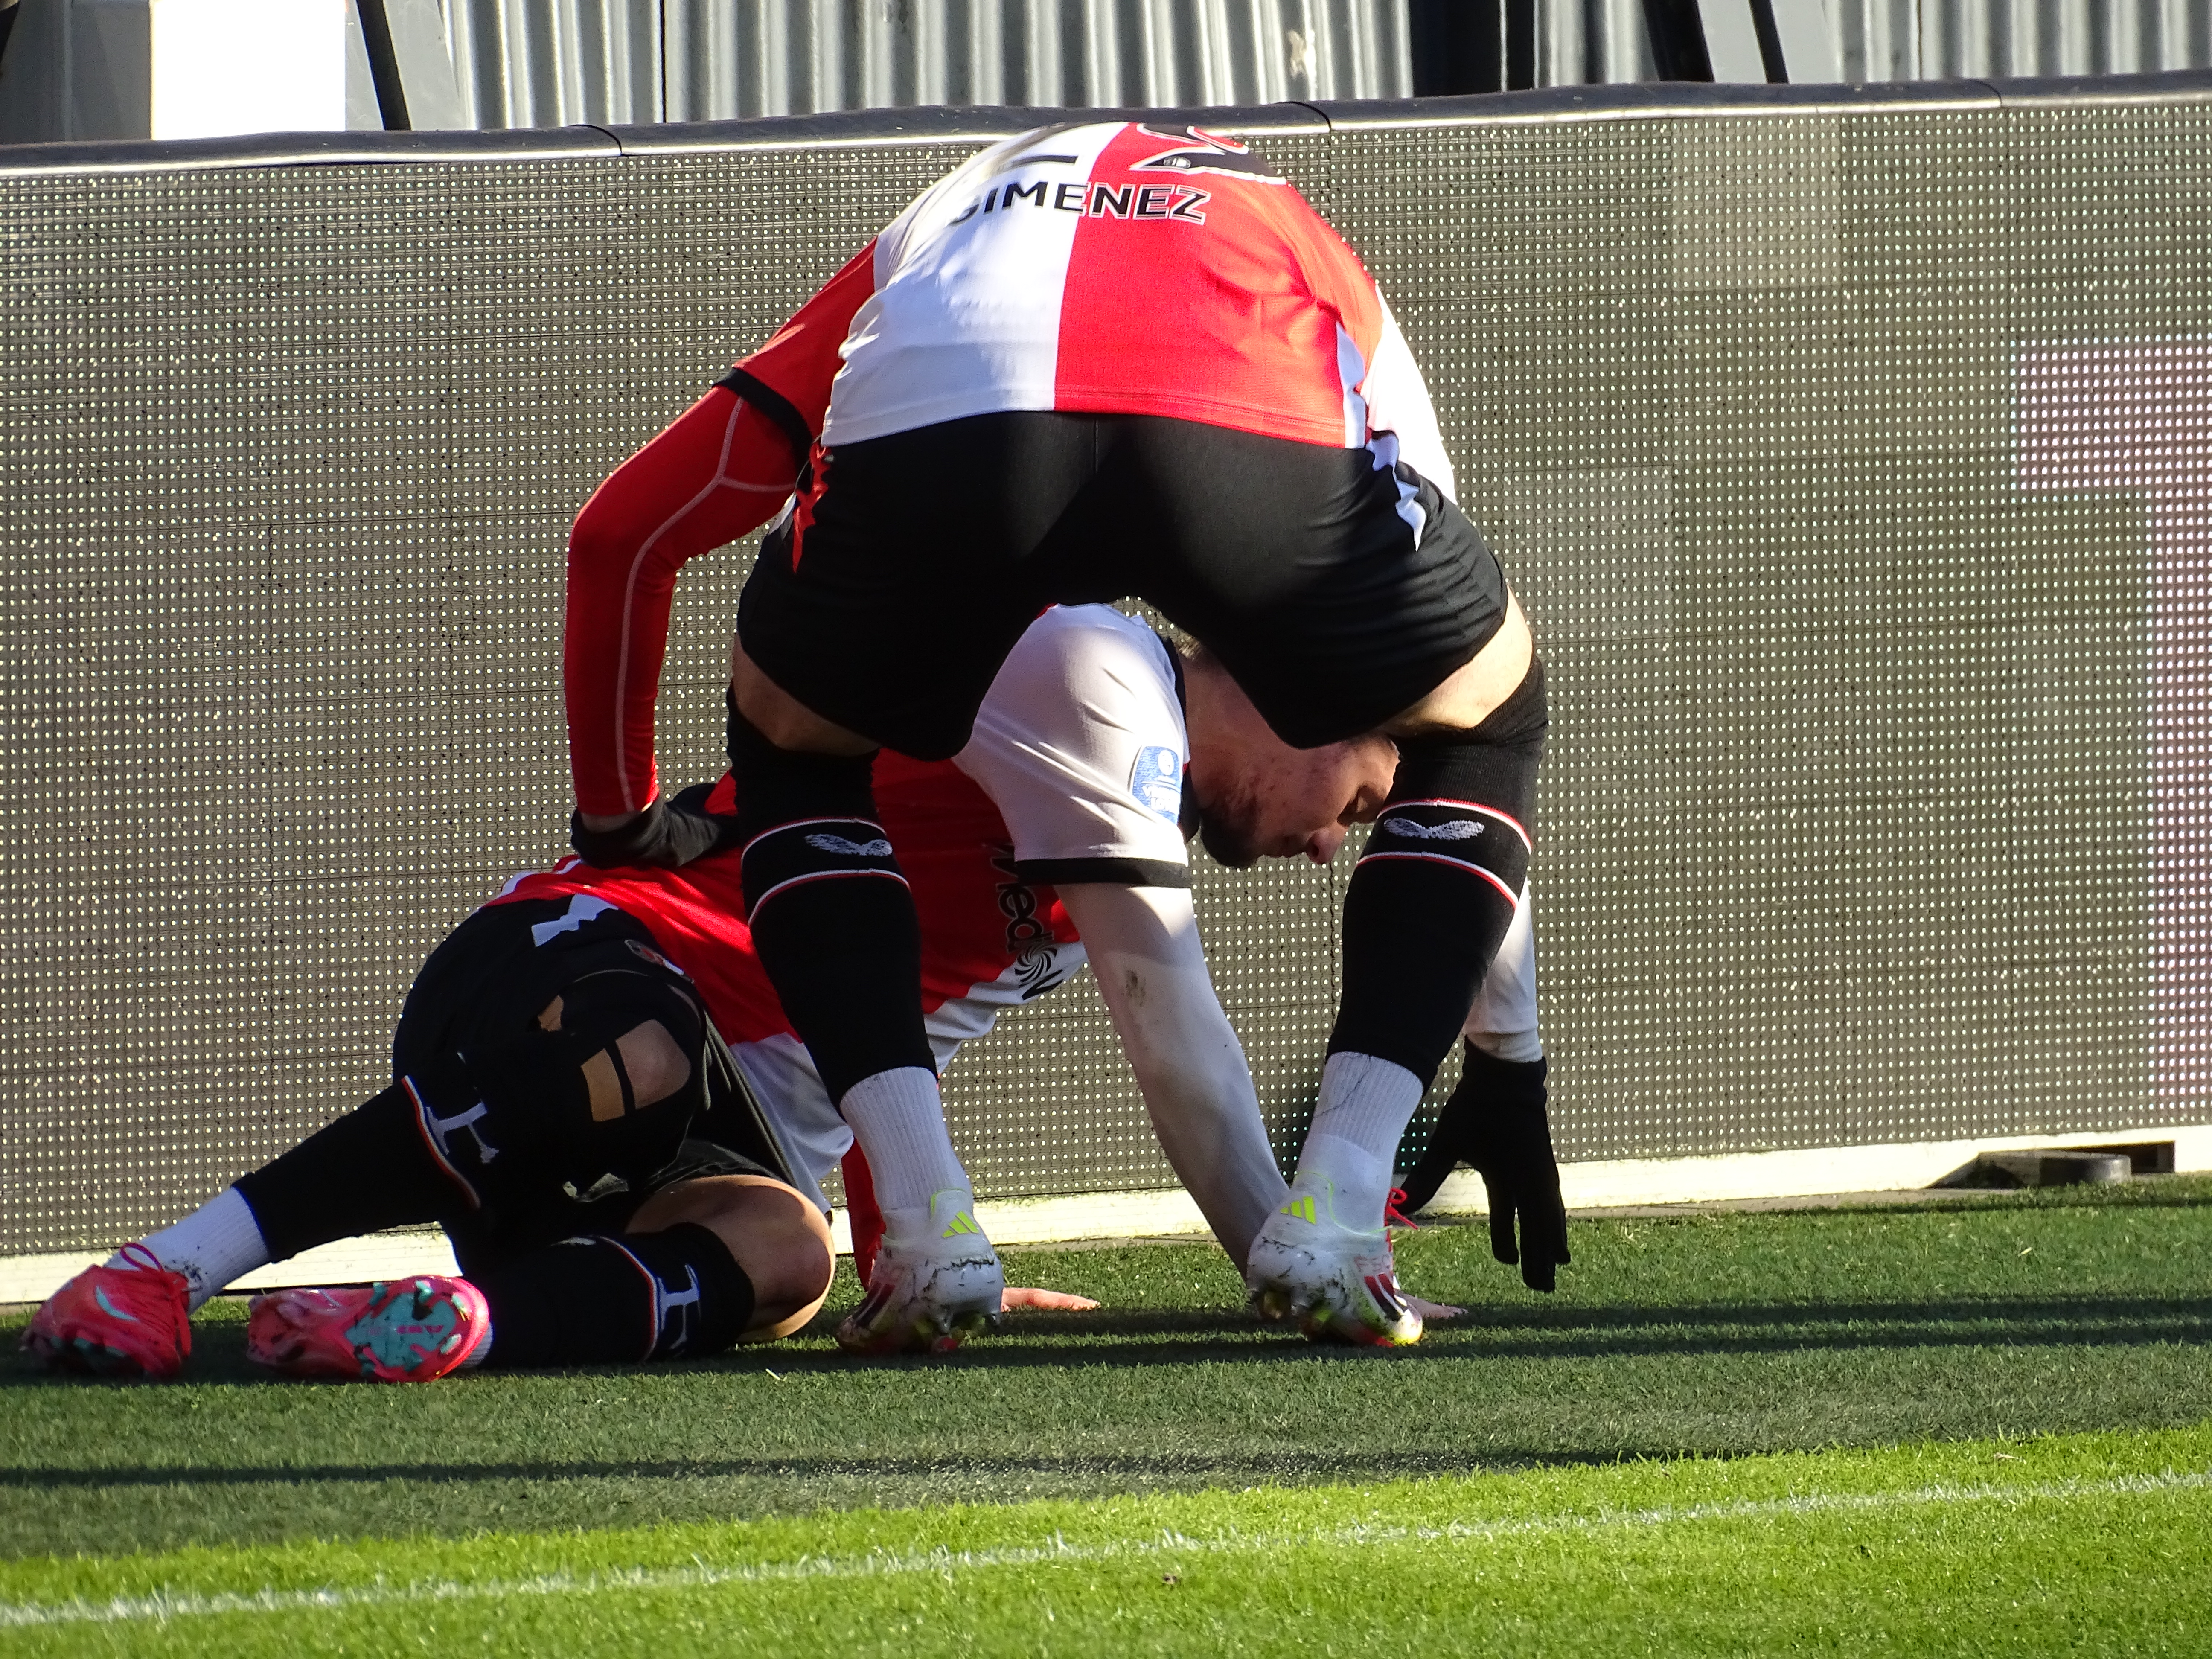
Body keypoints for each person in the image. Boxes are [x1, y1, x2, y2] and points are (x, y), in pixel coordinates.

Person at [563, 121, 1560, 1349]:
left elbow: (624, 533)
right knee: (1488, 716)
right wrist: (1506, 1054)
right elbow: (1460, 716)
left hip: (946, 427)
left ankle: (927, 1239)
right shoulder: (1302, 241)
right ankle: (1342, 1207)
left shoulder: (948, 211)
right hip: (1243, 432)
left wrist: (618, 814)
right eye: (1364, 806)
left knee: (799, 763)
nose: (1327, 846)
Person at [26, 602, 1528, 1379]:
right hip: (588, 966)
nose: (1335, 845)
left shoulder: (1113, 862)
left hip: (716, 1105)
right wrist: (1301, 1260)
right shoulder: (1096, 671)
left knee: (782, 1259)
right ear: (1294, 699)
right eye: (1360, 798)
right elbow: (1181, 1053)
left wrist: (897, 1240)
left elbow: (904, 1036)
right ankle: (162, 1271)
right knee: (638, 1056)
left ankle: (453, 1325)